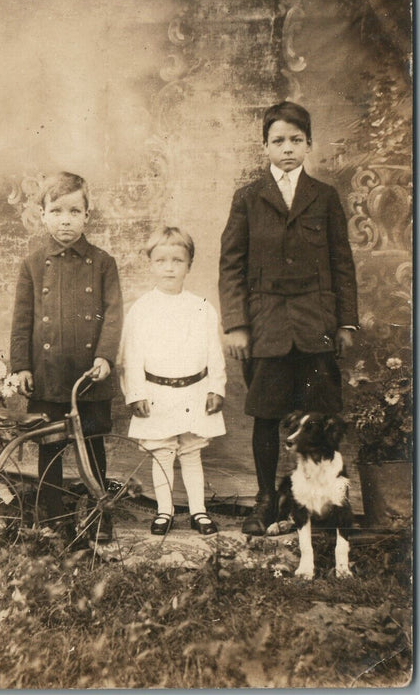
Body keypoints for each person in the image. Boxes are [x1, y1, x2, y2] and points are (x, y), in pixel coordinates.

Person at [218, 101, 358, 535]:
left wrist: (345, 323)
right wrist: (238, 324)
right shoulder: (248, 198)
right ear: (265, 147)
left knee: (324, 418)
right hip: (267, 325)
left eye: (296, 140)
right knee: (265, 415)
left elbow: (342, 263)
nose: (288, 149)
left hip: (315, 325)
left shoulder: (325, 196)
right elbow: (231, 265)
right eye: (278, 141)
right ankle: (265, 502)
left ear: (309, 145)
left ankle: (331, 505)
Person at [10, 171, 123, 540]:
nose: (65, 220)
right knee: (51, 447)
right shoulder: (32, 263)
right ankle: (52, 518)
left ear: (87, 215)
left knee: (92, 446)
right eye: (56, 211)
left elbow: (113, 315)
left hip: (91, 375)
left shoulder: (104, 262)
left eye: (74, 211)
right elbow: (22, 320)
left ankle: (98, 515)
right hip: (48, 373)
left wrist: (105, 357)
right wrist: (21, 366)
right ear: (42, 214)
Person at [119, 226, 226, 536]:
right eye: (161, 260)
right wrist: (136, 393)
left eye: (177, 261)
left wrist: (215, 387)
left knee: (191, 452)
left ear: (189, 265)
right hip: (157, 393)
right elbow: (131, 356)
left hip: (193, 391)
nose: (169, 268)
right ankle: (164, 510)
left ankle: (198, 512)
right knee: (163, 453)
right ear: (150, 263)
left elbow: (214, 352)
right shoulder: (141, 309)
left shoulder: (202, 307)